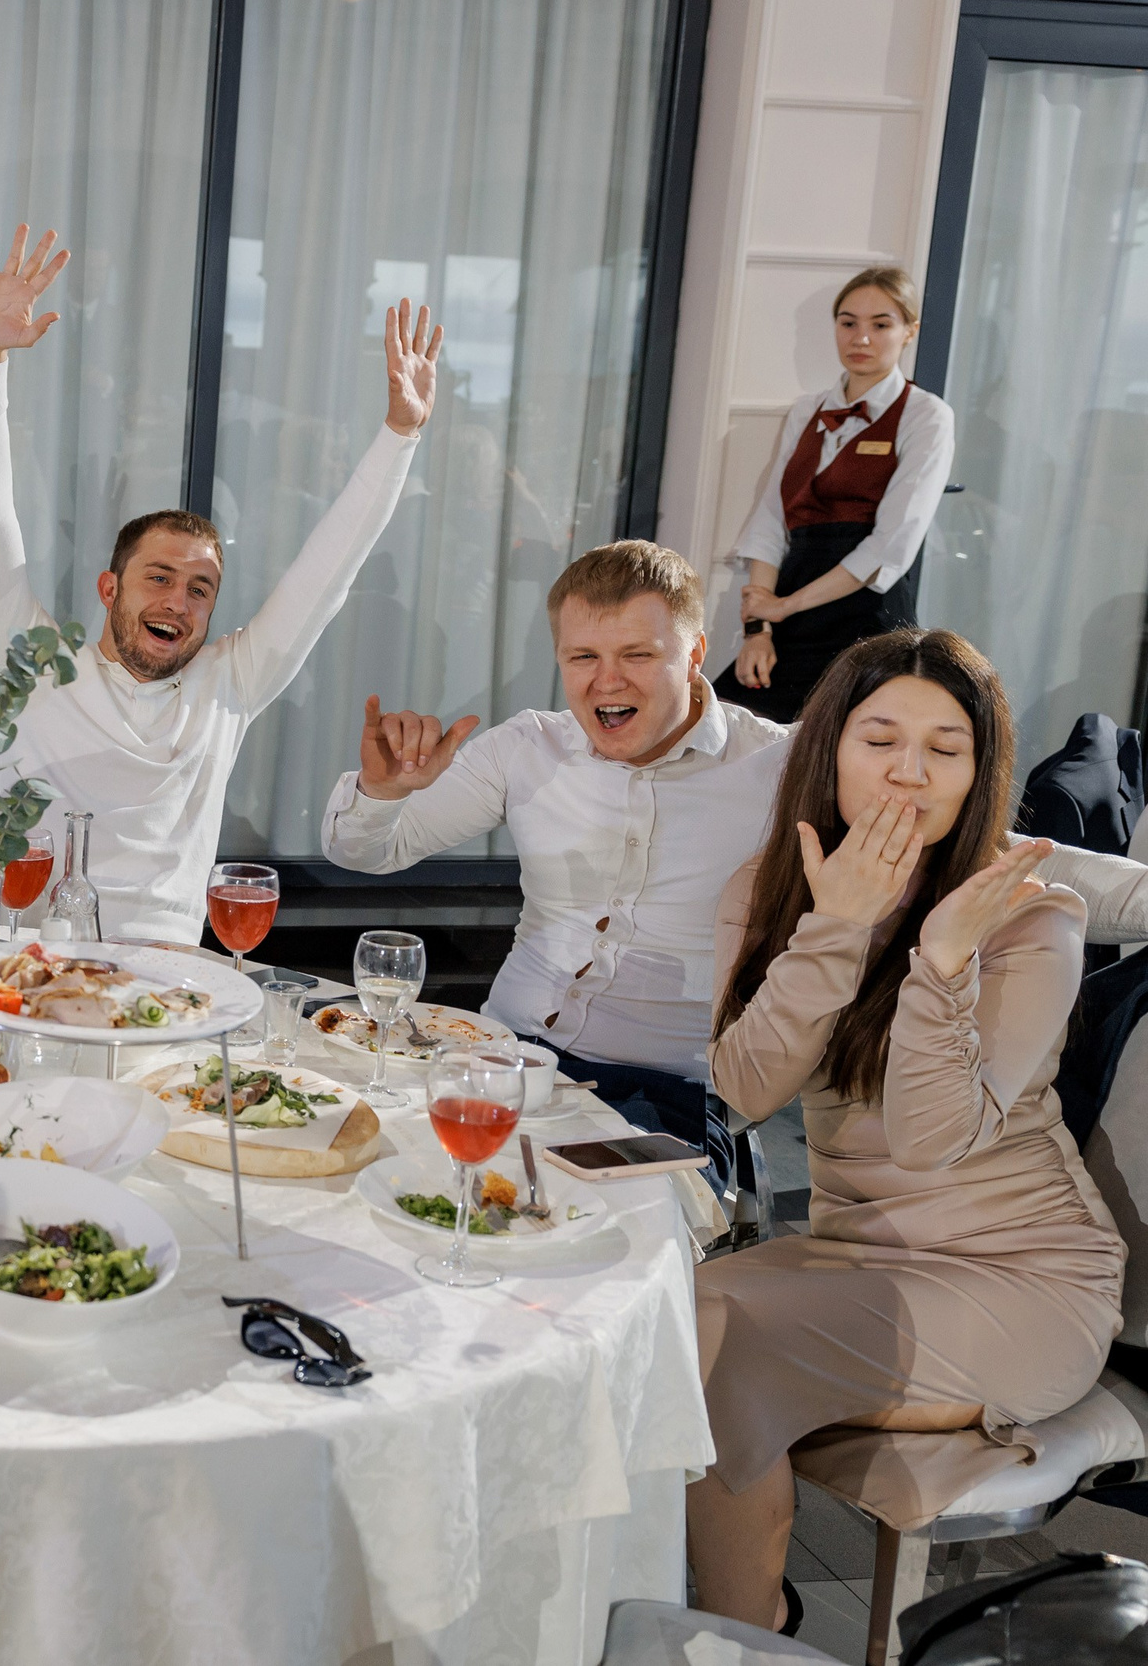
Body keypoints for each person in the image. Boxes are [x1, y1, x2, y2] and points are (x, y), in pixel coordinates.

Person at [322, 541, 1148, 1169]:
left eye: (638, 655)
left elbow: (1003, 859)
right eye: (583, 657)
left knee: (563, 1252)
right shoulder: (524, 748)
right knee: (368, 1171)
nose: (606, 681)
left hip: (670, 1096)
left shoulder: (786, 765)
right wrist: (387, 789)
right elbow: (367, 849)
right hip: (494, 1052)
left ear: (692, 651)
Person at [690, 629, 1119, 1633]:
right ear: (827, 748)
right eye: (880, 739)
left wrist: (940, 963)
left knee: (714, 1350)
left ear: (977, 776)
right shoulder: (768, 889)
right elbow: (744, 1091)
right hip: (857, 1260)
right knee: (653, 1312)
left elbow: (935, 1142)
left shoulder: (1029, 915)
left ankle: (739, 1640)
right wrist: (832, 927)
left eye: (945, 749)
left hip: (1022, 1280)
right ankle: (753, 1622)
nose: (908, 773)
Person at [0, 225, 442, 940]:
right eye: (159, 577)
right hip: (21, 987)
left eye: (201, 588)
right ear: (109, 589)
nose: (179, 600)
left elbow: (329, 570)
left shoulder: (227, 686)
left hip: (167, 1002)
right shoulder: (26, 662)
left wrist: (401, 433)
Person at [713, 266, 954, 722]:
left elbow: (890, 546)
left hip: (863, 615)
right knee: (729, 723)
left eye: (880, 324)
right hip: (793, 603)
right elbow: (770, 523)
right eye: (848, 323)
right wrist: (758, 629)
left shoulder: (927, 416)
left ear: (909, 332)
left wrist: (784, 607)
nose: (861, 338)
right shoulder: (808, 410)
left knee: (834, 748)